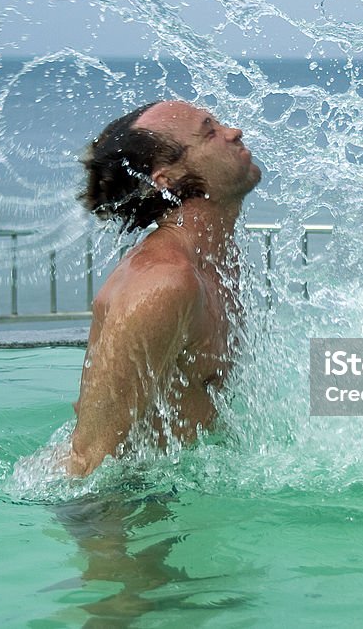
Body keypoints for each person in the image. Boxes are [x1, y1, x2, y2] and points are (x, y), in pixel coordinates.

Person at [66, 100, 261, 477]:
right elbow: (87, 462)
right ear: (166, 177)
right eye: (210, 132)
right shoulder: (163, 282)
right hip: (132, 497)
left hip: (181, 486)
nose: (233, 132)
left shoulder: (221, 261)